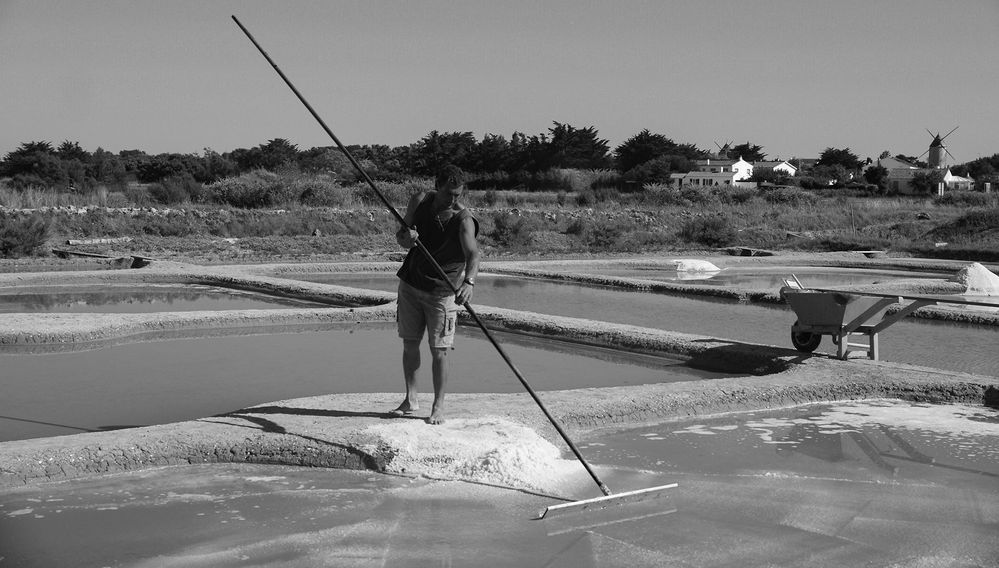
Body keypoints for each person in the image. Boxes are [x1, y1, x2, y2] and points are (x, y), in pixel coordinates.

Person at [392, 165, 479, 425]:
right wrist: (408, 237)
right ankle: (411, 398)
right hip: (411, 282)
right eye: (449, 193)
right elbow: (402, 238)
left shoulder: (463, 219)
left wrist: (469, 282)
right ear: (437, 185)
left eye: (458, 195)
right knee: (409, 342)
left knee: (439, 349)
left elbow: (473, 254)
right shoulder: (420, 201)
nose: (453, 199)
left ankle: (438, 405)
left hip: (442, 290)